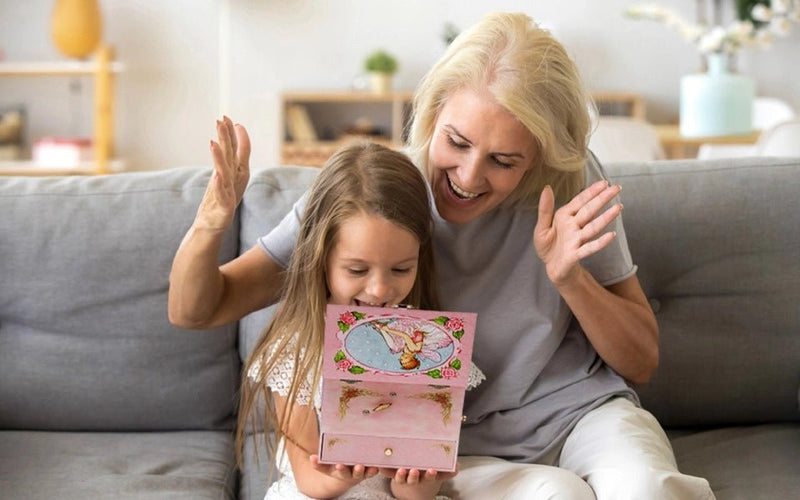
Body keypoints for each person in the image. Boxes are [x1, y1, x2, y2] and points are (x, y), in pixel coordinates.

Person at [169, 11, 715, 499]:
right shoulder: (376, 198)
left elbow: (640, 360)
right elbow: (198, 309)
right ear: (432, 114)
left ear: (540, 157)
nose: (469, 177)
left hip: (578, 416)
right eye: (455, 142)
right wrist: (213, 219)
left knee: (647, 488)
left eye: (504, 160)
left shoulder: (572, 183)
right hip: (447, 444)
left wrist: (569, 277)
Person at [235, 141, 462, 499]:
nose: (379, 289)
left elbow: (421, 484)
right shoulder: (298, 348)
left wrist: (417, 486)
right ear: (321, 257)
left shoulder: (424, 342)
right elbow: (310, 480)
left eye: (401, 269)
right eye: (357, 269)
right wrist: (344, 474)